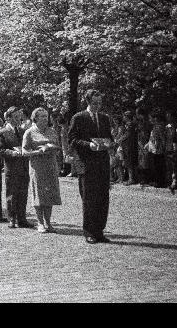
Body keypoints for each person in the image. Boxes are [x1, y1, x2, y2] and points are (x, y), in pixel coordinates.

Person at [68, 89, 114, 244]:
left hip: (102, 163)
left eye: (100, 103)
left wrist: (110, 143)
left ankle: (99, 230)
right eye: (94, 103)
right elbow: (72, 139)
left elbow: (109, 137)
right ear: (87, 102)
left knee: (103, 198)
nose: (97, 106)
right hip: (86, 163)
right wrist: (89, 145)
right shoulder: (79, 117)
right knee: (89, 198)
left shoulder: (105, 118)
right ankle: (89, 231)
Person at [23, 107, 62, 233]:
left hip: (50, 165)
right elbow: (24, 151)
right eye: (42, 116)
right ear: (35, 118)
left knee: (50, 194)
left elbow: (57, 146)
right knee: (38, 194)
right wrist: (37, 151)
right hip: (37, 167)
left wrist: (52, 147)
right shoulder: (29, 132)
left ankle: (48, 222)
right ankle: (40, 223)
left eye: (46, 116)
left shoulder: (52, 131)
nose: (45, 119)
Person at [0, 107, 30, 228]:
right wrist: (11, 153)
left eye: (19, 117)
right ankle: (12, 218)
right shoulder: (2, 132)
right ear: (8, 118)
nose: (18, 119)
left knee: (23, 194)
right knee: (11, 194)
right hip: (11, 167)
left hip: (24, 167)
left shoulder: (23, 131)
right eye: (15, 117)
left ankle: (22, 219)